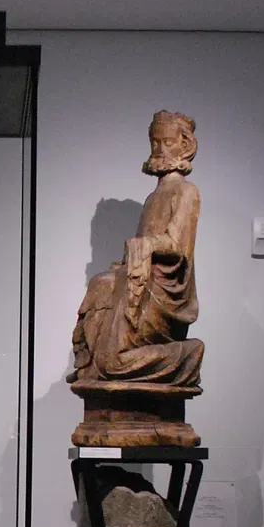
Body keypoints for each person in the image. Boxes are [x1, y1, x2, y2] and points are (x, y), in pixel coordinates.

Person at [68, 109, 205, 386]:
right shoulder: (153, 198)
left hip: (165, 290)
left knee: (113, 362)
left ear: (185, 145)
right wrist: (127, 261)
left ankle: (187, 353)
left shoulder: (186, 192)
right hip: (145, 276)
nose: (160, 149)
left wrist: (144, 245)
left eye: (168, 142)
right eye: (155, 142)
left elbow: (177, 246)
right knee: (100, 282)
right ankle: (91, 360)